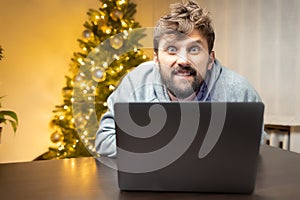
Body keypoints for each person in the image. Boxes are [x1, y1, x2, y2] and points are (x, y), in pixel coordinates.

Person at [95, 0, 262, 157]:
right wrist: (170, 147)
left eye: (194, 49)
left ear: (210, 59)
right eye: (172, 49)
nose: (183, 61)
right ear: (156, 58)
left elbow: (257, 149)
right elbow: (105, 141)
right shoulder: (134, 83)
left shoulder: (239, 92)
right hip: (152, 184)